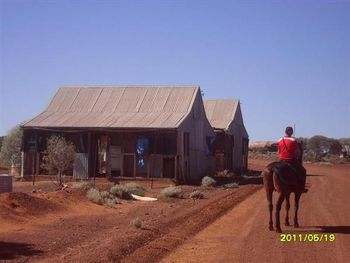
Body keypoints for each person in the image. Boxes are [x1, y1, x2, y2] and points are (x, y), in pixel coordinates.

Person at [278, 126, 308, 193]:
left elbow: (279, 151)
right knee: (303, 171)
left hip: (281, 160)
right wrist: (297, 157)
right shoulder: (294, 140)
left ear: (285, 131)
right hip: (290, 160)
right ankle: (301, 188)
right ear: (291, 132)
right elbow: (298, 152)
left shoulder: (280, 140)